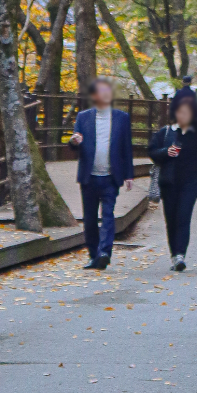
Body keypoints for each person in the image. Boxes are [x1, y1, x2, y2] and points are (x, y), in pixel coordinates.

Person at [69, 79, 134, 268]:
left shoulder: (122, 118)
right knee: (89, 219)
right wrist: (74, 141)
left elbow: (126, 148)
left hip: (110, 177)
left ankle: (105, 252)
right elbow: (74, 144)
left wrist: (129, 175)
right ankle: (93, 255)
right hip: (89, 177)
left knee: (108, 214)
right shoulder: (83, 117)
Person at [148, 93, 197, 270]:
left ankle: (180, 255)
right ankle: (174, 254)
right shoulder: (166, 132)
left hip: (189, 184)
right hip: (169, 183)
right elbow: (152, 152)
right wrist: (165, 152)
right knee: (171, 220)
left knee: (183, 218)